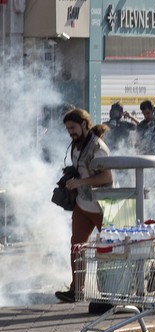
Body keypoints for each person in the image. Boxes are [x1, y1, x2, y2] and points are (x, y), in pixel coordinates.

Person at [55, 108, 113, 303]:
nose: (70, 131)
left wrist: (79, 182)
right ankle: (77, 290)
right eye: (67, 128)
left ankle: (113, 288)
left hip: (103, 206)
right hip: (83, 204)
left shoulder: (98, 147)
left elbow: (107, 176)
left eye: (73, 127)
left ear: (85, 125)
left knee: (113, 248)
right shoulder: (76, 146)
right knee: (77, 247)